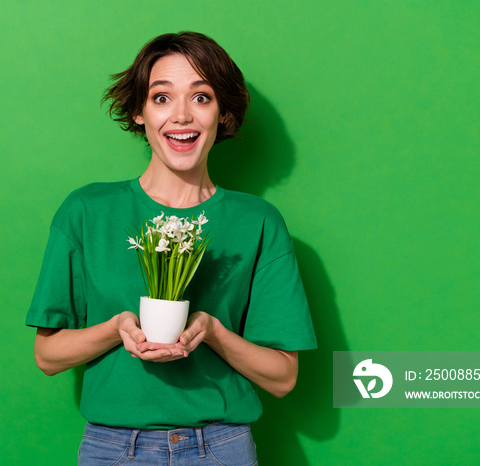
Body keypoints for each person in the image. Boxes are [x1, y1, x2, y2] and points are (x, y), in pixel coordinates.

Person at [26, 31, 317, 465]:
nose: (181, 116)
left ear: (224, 114)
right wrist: (116, 328)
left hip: (221, 449)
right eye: (161, 98)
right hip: (112, 449)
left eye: (201, 98)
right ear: (139, 112)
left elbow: (283, 377)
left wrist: (213, 331)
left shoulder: (257, 222)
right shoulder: (87, 211)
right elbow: (47, 356)